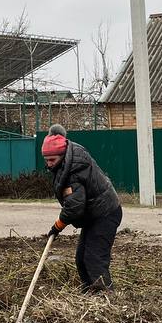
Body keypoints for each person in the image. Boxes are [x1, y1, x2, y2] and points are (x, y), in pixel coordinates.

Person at [42, 124, 123, 292]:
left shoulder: (73, 169)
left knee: (94, 258)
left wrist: (57, 226)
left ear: (62, 155)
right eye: (46, 160)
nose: (49, 165)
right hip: (94, 215)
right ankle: (89, 292)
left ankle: (105, 297)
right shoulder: (67, 158)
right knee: (81, 258)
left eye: (52, 160)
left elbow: (74, 206)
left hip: (105, 213)